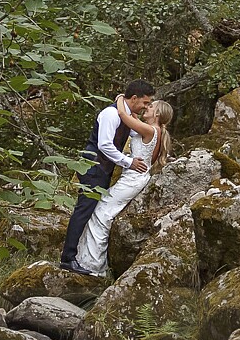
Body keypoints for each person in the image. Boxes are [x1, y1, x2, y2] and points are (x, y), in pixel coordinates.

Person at [58, 79, 153, 271]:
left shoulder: (125, 115)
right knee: (83, 210)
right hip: (93, 167)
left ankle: (78, 255)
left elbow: (138, 135)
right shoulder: (111, 114)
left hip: (103, 169)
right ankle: (68, 258)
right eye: (145, 102)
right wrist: (129, 162)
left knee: (90, 210)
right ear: (134, 98)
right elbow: (104, 145)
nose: (146, 106)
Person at [72, 98, 172, 277]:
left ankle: (94, 266)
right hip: (132, 177)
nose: (146, 108)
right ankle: (87, 259)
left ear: (157, 114)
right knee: (102, 210)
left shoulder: (150, 129)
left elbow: (123, 115)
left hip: (133, 179)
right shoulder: (148, 129)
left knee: (102, 214)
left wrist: (120, 99)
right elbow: (131, 120)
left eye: (150, 106)